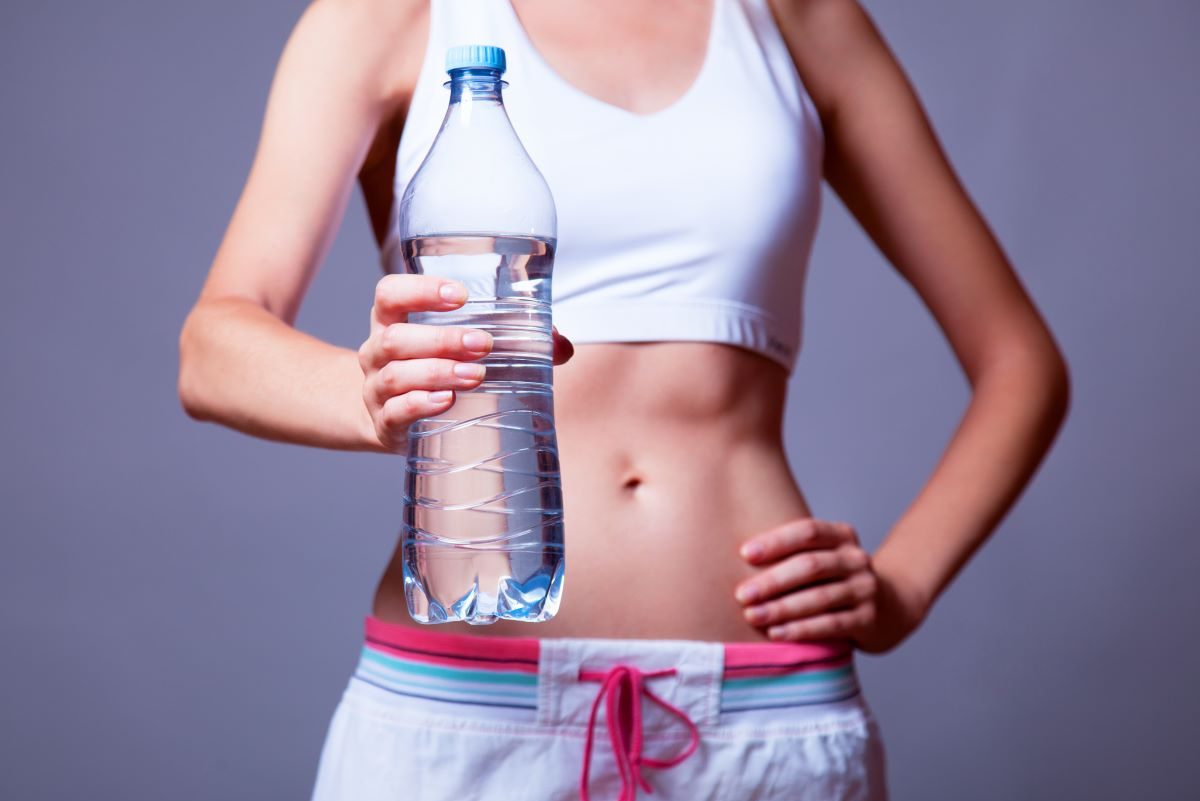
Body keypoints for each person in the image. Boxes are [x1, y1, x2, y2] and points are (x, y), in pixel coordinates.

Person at [178, 0, 1070, 798]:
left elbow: (1020, 359)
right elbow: (213, 344)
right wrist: (366, 397)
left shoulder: (796, 18)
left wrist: (902, 587)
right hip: (467, 709)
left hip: (764, 721)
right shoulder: (396, 17)